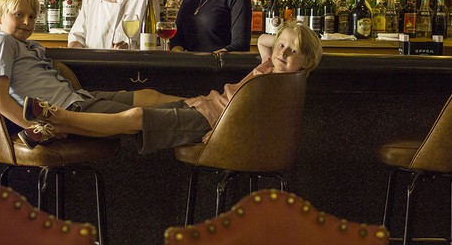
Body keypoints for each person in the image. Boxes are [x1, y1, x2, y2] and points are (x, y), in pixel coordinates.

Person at [21, 20, 322, 153]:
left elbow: (251, 123)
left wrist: (217, 134)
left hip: (212, 121)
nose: (281, 52)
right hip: (207, 106)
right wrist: (290, 36)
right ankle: (63, 120)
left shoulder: (278, 84)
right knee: (147, 101)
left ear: (307, 60)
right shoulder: (275, 66)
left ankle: (57, 118)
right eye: (282, 46)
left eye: (292, 51)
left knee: (137, 116)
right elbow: (264, 40)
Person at [0, 0, 181, 147]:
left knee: (149, 96)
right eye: (19, 14)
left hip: (77, 99)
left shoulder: (26, 45)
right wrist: (33, 127)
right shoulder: (3, 41)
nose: (26, 22)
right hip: (68, 112)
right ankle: (205, 116)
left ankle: (197, 104)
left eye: (31, 16)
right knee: (143, 117)